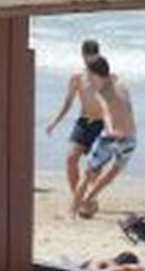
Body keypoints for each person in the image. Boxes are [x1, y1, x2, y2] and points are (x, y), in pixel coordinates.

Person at [71, 55, 135, 218]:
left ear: (95, 75)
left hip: (111, 137)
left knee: (89, 174)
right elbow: (126, 107)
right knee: (113, 171)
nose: (89, 80)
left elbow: (106, 112)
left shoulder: (101, 92)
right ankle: (87, 200)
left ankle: (75, 209)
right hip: (130, 137)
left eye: (90, 75)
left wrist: (111, 128)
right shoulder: (120, 83)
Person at [44, 39, 106, 207]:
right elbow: (68, 103)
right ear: (82, 56)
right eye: (87, 56)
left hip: (104, 124)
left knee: (94, 167)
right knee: (71, 159)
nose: (90, 60)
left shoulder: (106, 76)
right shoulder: (77, 78)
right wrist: (54, 122)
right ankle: (78, 198)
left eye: (93, 56)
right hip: (84, 122)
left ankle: (91, 196)